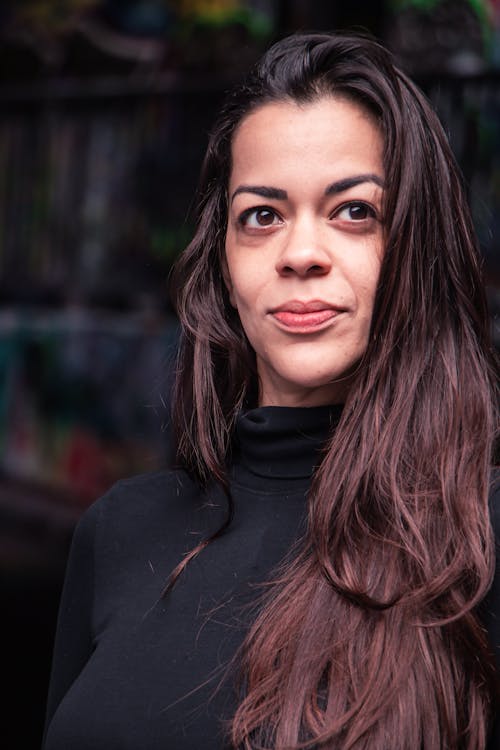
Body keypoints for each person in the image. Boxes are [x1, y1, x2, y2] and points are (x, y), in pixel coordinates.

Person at [43, 31, 499, 750]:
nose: (301, 254)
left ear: (418, 246)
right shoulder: (121, 530)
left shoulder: (480, 537)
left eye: (354, 211)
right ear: (222, 261)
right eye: (262, 215)